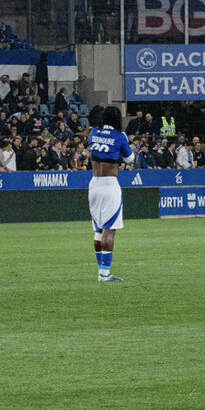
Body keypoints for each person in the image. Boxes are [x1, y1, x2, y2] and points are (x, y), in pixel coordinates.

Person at [88, 107, 135, 282]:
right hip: (109, 185)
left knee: (98, 231)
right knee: (110, 230)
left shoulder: (94, 132)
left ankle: (101, 271)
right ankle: (105, 274)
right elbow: (130, 159)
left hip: (94, 183)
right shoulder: (120, 136)